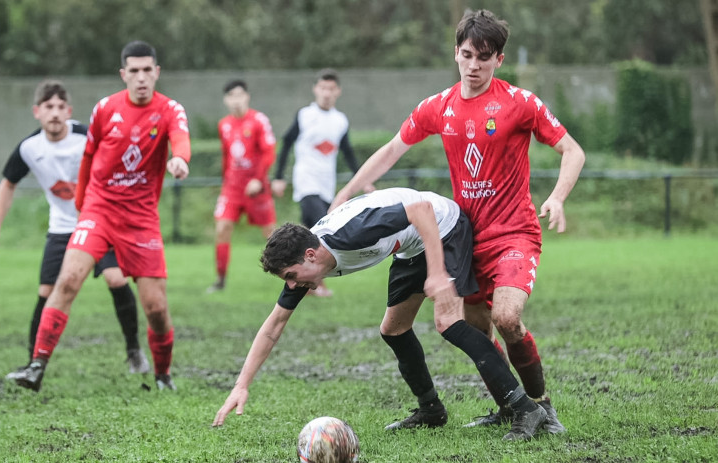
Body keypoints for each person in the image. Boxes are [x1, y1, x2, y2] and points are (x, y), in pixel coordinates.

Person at [331, 9, 586, 434]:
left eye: (483, 57)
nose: (473, 65)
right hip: (466, 238)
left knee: (507, 318)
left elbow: (572, 151)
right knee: (476, 329)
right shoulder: (439, 106)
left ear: (499, 59)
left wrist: (557, 197)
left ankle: (543, 407)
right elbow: (393, 148)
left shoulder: (520, 103)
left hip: (514, 234)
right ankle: (509, 407)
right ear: (456, 53)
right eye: (467, 55)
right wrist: (349, 191)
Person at [213, 188, 548, 440]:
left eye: (290, 275)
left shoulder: (351, 234)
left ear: (311, 255)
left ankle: (524, 408)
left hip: (442, 226)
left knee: (448, 323)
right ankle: (431, 410)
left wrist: (435, 274)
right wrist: (241, 386)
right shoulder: (311, 261)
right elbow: (274, 326)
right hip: (409, 245)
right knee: (394, 328)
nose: (291, 284)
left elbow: (421, 209)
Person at [7, 40, 191, 392]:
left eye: (146, 70)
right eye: (133, 71)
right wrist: (82, 205)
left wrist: (180, 158)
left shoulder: (170, 110)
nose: (140, 78)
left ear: (157, 72)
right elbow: (89, 157)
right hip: (100, 210)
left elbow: (181, 139)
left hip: (140, 218)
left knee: (155, 306)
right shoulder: (106, 108)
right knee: (68, 281)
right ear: (124, 74)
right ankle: (36, 366)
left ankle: (163, 375)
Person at [0, 79, 149, 376]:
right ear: (37, 111)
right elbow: (7, 185)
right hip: (61, 228)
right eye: (48, 107)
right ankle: (34, 364)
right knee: (47, 291)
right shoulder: (29, 148)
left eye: (61, 107)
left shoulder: (87, 137)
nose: (55, 113)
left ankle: (134, 351)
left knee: (115, 278)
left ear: (69, 110)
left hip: (99, 222)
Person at [271, 68, 373, 297]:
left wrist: (364, 180)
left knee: (310, 232)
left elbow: (347, 152)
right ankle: (318, 282)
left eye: (331, 89)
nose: (326, 93)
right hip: (306, 182)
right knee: (320, 229)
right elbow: (286, 143)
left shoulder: (340, 120)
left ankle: (301, 279)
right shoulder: (305, 115)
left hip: (327, 185)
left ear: (337, 91)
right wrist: (278, 176)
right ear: (315, 89)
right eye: (322, 88)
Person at [208, 79, 278, 293]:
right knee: (222, 228)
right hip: (232, 188)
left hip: (256, 187)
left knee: (272, 234)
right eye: (231, 96)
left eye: (239, 95)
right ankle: (220, 280)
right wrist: (224, 182)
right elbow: (226, 156)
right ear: (226, 100)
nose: (236, 100)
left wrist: (258, 179)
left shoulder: (258, 121)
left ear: (246, 96)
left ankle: (294, 276)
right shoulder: (224, 124)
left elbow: (268, 152)